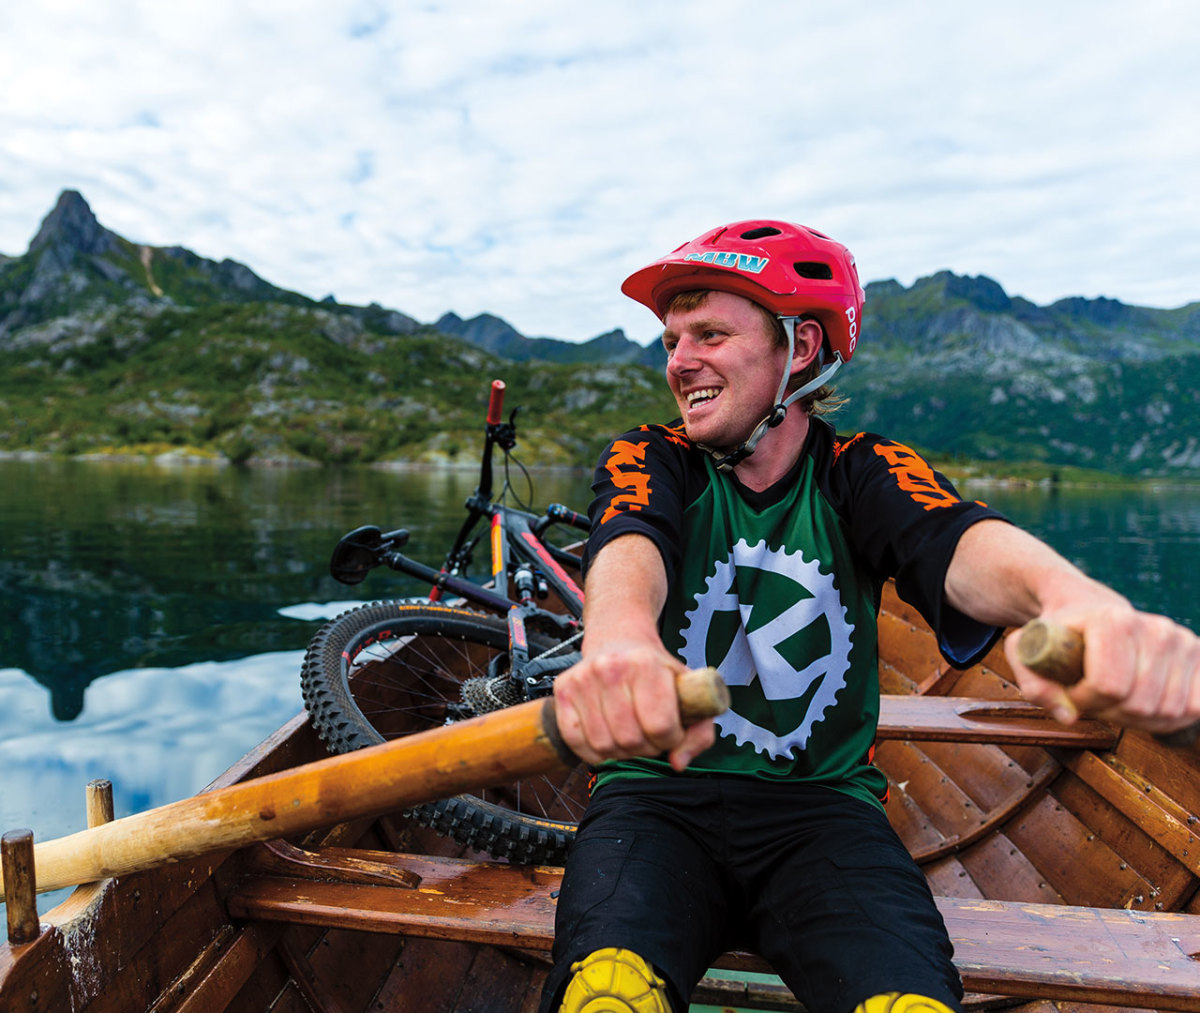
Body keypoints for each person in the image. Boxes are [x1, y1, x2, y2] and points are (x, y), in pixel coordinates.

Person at [540, 220, 1200, 1013]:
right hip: (655, 802)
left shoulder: (862, 471)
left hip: (822, 812)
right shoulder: (653, 456)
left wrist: (1075, 601)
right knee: (606, 996)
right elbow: (629, 539)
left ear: (803, 346)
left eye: (710, 333)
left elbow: (953, 537)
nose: (679, 362)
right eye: (673, 340)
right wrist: (618, 644)